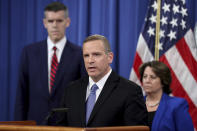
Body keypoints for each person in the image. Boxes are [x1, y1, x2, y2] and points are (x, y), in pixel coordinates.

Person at [14, 2, 86, 125]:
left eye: (59, 20)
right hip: (35, 124)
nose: (55, 25)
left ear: (67, 22)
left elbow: (84, 94)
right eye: (51, 21)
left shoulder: (80, 54)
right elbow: (22, 93)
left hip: (67, 125)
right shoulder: (29, 52)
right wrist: (19, 125)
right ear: (44, 23)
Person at [58, 34, 148, 127]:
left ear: (110, 57)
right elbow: (60, 127)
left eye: (96, 54)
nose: (90, 60)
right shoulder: (71, 90)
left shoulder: (130, 91)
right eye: (86, 55)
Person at [139, 61, 194, 131]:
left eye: (152, 77)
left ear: (163, 81)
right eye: (145, 76)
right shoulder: (136, 104)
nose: (147, 80)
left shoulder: (176, 105)